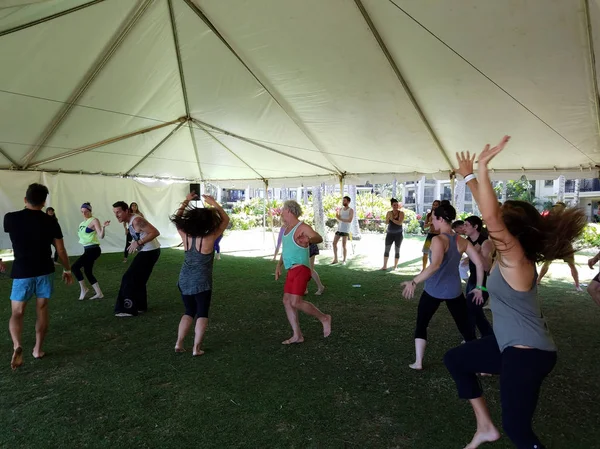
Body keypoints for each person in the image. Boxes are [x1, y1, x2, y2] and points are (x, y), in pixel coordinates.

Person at [444, 137, 586, 449]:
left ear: (509, 229)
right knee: (456, 359)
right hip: (511, 347)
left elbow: (490, 215)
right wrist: (472, 175)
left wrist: (478, 171)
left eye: (500, 215)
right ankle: (485, 428)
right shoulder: (508, 256)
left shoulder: (515, 258)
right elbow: (491, 215)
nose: (492, 216)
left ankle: (497, 429)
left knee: (518, 430)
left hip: (528, 355)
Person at [401, 200, 485, 371]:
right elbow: (479, 263)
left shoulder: (438, 240)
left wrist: (414, 281)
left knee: (422, 323)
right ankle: (481, 365)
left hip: (433, 290)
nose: (431, 221)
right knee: (466, 328)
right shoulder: (462, 241)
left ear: (440, 219)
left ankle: (418, 362)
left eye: (433, 218)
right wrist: (479, 287)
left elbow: (435, 265)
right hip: (453, 291)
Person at [3, 183, 73, 370]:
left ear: (25, 199)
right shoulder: (51, 221)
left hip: (22, 271)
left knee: (17, 312)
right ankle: (37, 350)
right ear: (44, 202)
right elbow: (60, 249)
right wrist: (67, 269)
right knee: (42, 308)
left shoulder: (10, 218)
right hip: (45, 270)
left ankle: (17, 345)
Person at [171, 192, 229, 356]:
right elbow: (225, 220)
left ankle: (179, 343)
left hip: (184, 279)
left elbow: (177, 218)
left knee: (189, 311)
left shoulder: (186, 236)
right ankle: (196, 348)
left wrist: (186, 202)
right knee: (202, 312)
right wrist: (214, 203)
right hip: (202, 281)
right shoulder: (210, 237)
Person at [276, 200, 331, 344]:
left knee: (296, 301)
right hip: (291, 270)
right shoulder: (287, 228)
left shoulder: (302, 227)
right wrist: (278, 266)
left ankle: (324, 318)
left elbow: (318, 237)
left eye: (283, 210)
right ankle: (297, 335)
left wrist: (309, 239)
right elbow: (286, 250)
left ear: (289, 210)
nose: (281, 212)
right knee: (287, 301)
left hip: (301, 268)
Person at [112, 201, 161, 317]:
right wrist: (135, 241)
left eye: (118, 212)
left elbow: (155, 232)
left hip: (150, 252)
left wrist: (138, 242)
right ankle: (140, 306)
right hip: (148, 251)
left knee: (128, 278)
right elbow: (142, 234)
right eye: (114, 212)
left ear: (126, 211)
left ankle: (127, 309)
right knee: (139, 279)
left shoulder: (137, 220)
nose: (116, 215)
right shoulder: (129, 222)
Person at [536, 202, 582, 291]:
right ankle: (538, 281)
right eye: (555, 207)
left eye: (558, 207)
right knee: (547, 263)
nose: (555, 208)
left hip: (565, 245)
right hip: (554, 244)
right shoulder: (550, 218)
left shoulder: (567, 218)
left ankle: (577, 285)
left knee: (572, 265)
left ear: (563, 208)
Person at [463, 216, 494, 338]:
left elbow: (487, 267)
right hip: (472, 280)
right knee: (472, 309)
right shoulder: (467, 241)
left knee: (472, 308)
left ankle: (483, 336)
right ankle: (484, 336)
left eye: (466, 225)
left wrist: (476, 253)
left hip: (484, 284)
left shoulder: (485, 242)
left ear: (475, 227)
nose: (464, 227)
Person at [72, 203, 110, 300]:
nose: (84, 213)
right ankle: (99, 293)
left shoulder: (94, 220)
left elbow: (101, 236)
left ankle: (84, 289)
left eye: (86, 211)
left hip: (93, 249)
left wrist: (104, 227)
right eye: (82, 212)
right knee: (88, 271)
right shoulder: (81, 224)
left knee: (75, 267)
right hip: (87, 250)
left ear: (90, 211)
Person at [381, 198, 405, 270]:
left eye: (397, 205)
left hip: (398, 234)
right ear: (392, 205)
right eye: (394, 205)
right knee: (386, 249)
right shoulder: (389, 213)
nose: (396, 206)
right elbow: (387, 222)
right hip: (390, 234)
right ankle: (384, 266)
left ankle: (395, 266)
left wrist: (392, 219)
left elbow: (399, 223)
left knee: (397, 250)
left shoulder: (401, 213)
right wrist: (388, 218)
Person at [331, 196, 354, 264]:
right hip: (339, 229)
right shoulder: (340, 209)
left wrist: (340, 219)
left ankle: (344, 260)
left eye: (345, 200)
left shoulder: (351, 210)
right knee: (334, 243)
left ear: (348, 202)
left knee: (344, 245)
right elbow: (339, 219)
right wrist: (337, 216)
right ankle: (335, 259)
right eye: (343, 200)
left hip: (346, 229)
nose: (343, 202)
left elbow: (350, 220)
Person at [421, 200, 441, 270]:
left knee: (436, 254)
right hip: (430, 235)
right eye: (434, 204)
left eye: (436, 205)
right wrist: (430, 223)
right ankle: (423, 269)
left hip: (439, 236)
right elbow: (425, 226)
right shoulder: (429, 215)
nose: (435, 206)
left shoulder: (441, 215)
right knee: (425, 252)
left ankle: (434, 269)